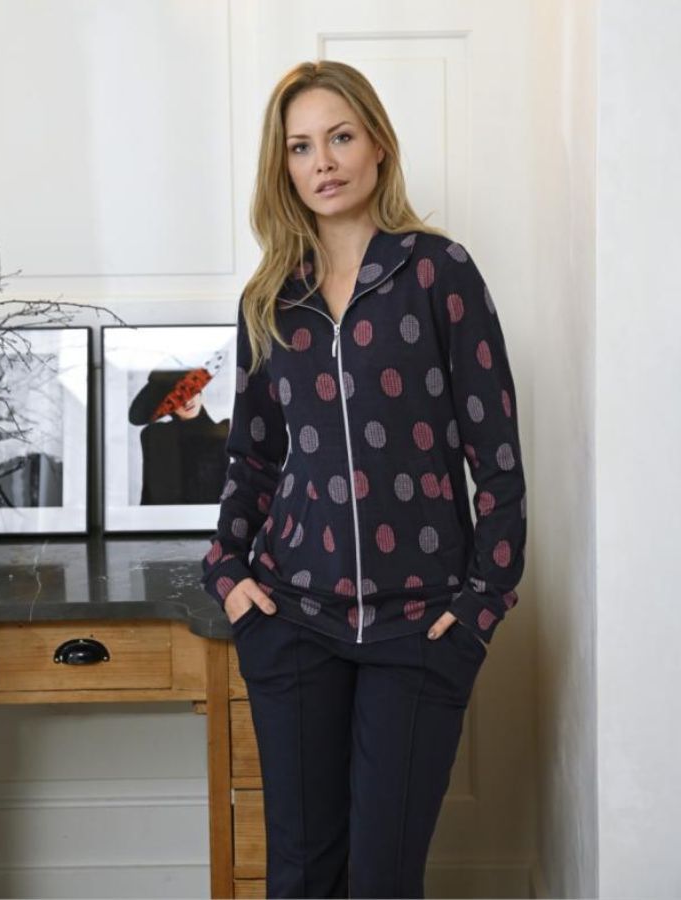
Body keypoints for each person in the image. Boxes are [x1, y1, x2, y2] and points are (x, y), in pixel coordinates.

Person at [201, 59, 527, 899]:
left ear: (378, 144)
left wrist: (481, 605)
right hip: (293, 619)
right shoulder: (271, 298)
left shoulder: (439, 272)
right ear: (282, 166)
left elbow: (496, 455)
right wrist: (229, 573)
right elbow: (253, 457)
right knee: (301, 874)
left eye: (340, 137)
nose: (324, 162)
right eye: (301, 146)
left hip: (419, 626)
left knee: (383, 879)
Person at [128, 358, 230, 505]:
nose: (187, 402)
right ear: (167, 407)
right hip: (169, 517)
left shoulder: (224, 431)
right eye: (178, 399)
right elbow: (151, 495)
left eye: (191, 391)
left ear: (200, 391)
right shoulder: (157, 435)